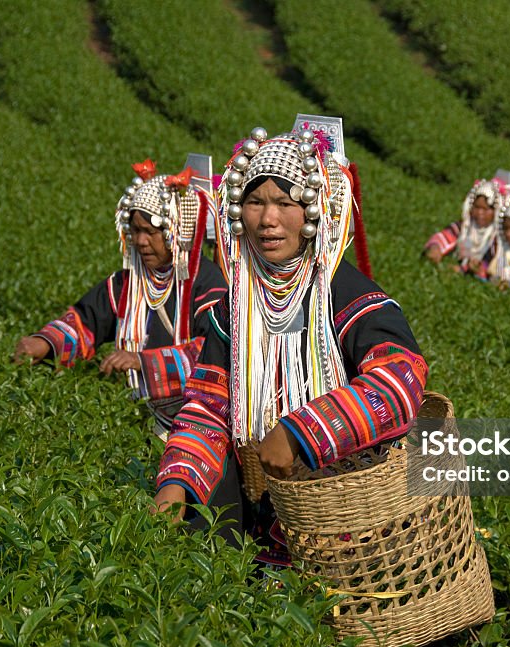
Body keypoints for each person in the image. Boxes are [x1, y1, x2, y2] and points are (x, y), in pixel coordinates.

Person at [153, 123, 429, 556]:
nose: (268, 219)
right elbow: (209, 402)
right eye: (255, 202)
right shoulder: (237, 303)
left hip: (346, 510)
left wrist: (298, 432)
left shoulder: (346, 293)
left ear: (315, 210)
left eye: (285, 202)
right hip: (265, 507)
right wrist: (176, 483)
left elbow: (400, 381)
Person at [13, 159, 227, 436]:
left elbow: (214, 351)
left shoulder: (205, 282)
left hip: (192, 424)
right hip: (132, 417)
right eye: (135, 231)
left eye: (150, 232)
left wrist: (142, 361)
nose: (140, 241)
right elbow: (85, 320)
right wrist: (44, 343)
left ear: (174, 231)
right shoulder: (128, 282)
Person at [424, 173, 510, 275]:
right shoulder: (466, 227)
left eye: (486, 209)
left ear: (497, 211)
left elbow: (493, 264)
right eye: (477, 207)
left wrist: (468, 269)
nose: (480, 213)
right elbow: (446, 235)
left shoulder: (498, 239)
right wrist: (435, 247)